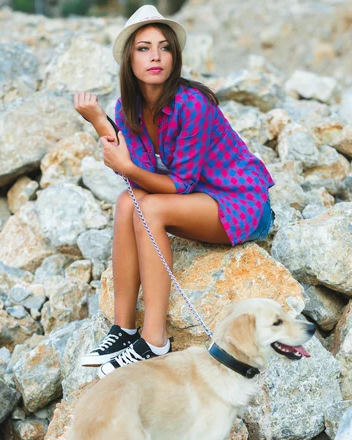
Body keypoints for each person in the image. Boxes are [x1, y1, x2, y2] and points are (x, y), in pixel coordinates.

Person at [74, 4, 275, 378]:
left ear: (175, 57)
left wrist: (128, 167)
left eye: (164, 48)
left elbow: (177, 184)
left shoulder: (192, 103)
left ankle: (154, 341)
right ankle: (123, 330)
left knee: (150, 211)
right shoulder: (127, 109)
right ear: (129, 60)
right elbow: (137, 184)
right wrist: (101, 121)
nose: (156, 56)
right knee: (125, 203)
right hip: (199, 201)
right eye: (144, 48)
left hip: (242, 203)